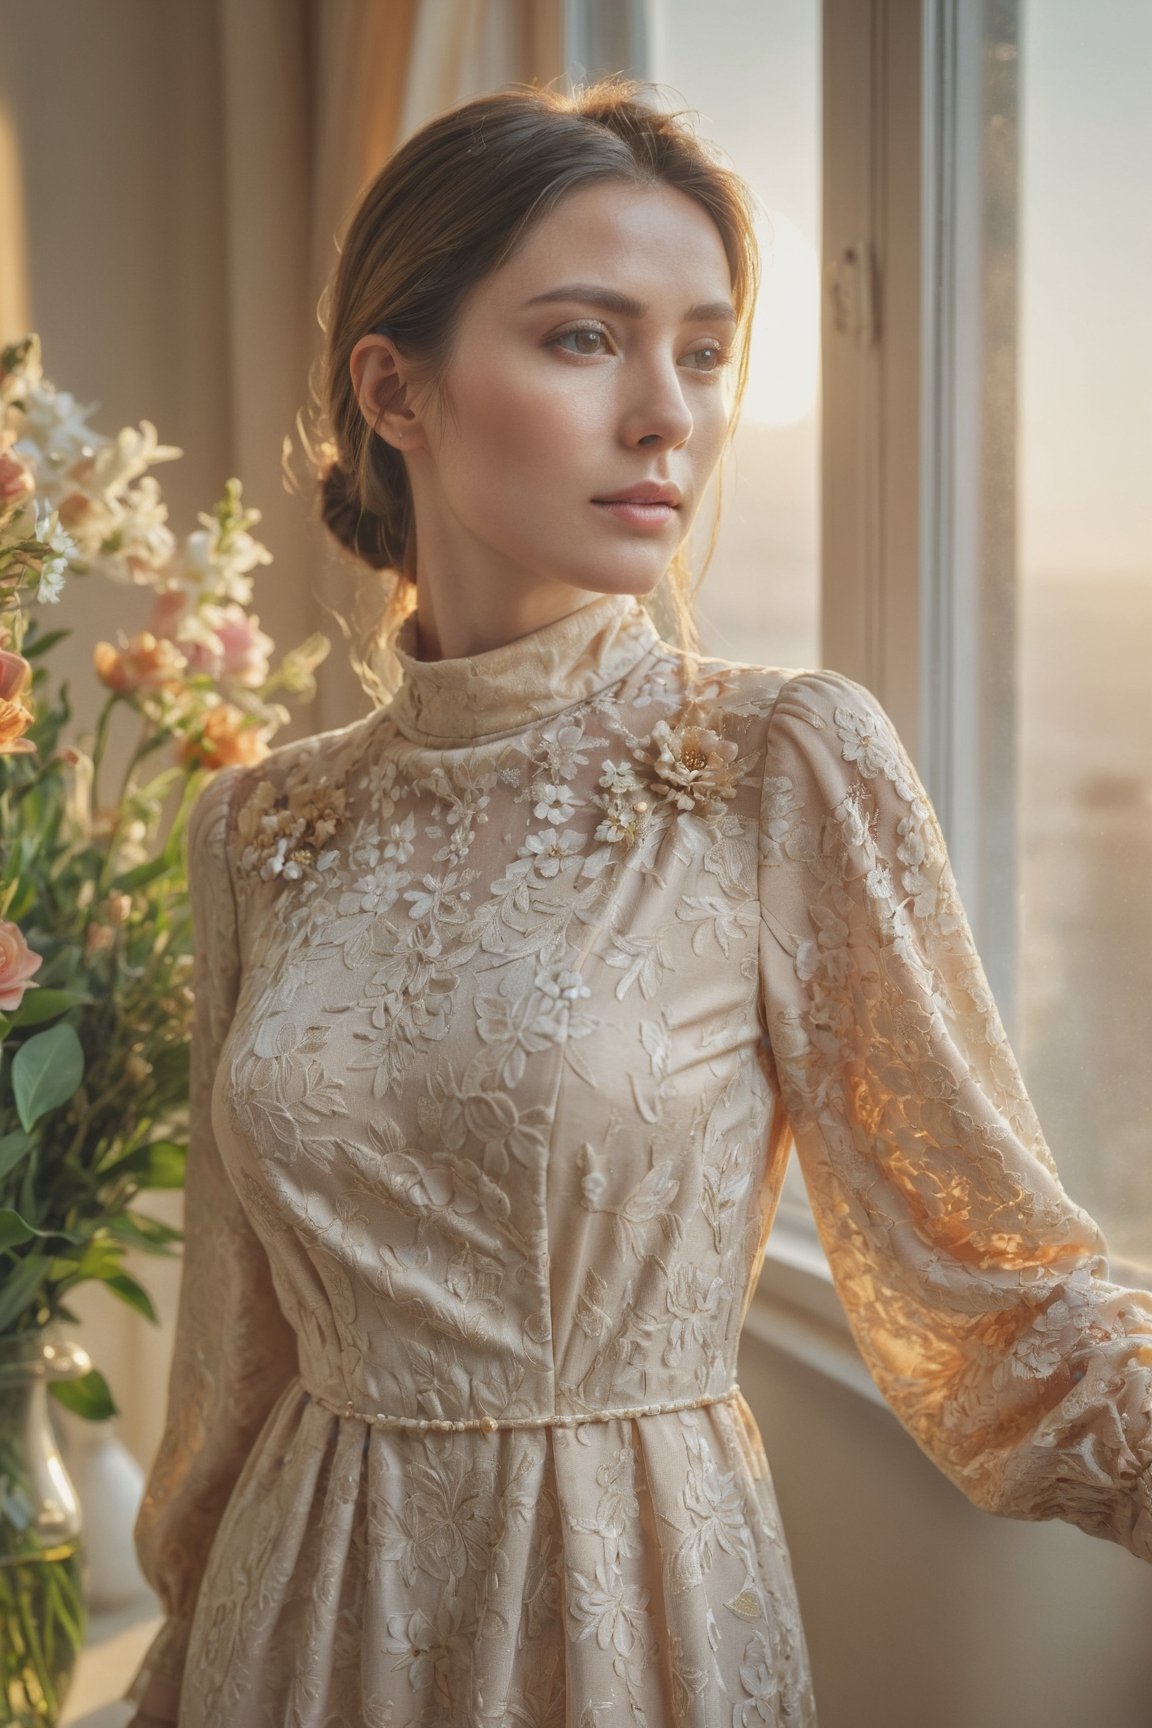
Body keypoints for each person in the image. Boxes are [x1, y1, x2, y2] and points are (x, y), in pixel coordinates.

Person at [124, 76, 1152, 1728]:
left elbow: (1000, 1293)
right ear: (396, 388)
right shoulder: (256, 827)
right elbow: (231, 1362)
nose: (670, 413)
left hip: (625, 1619)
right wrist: (177, 1661)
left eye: (706, 349)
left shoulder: (778, 760)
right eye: (588, 339)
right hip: (292, 1620)